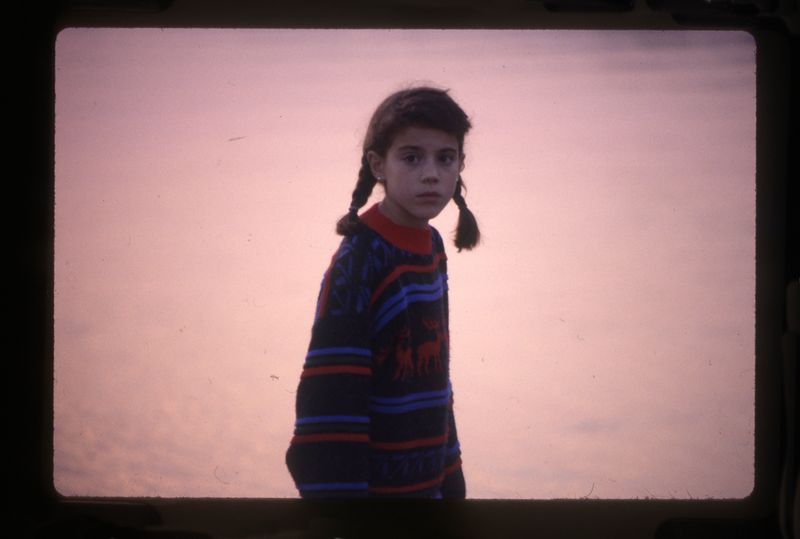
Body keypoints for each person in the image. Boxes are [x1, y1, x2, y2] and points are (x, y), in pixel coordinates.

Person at [285, 86, 480, 499]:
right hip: (370, 505)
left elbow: (434, 376)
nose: (431, 173)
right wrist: (345, 514)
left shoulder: (431, 245)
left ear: (461, 164)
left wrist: (451, 476)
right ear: (378, 164)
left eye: (445, 158)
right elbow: (331, 395)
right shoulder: (360, 260)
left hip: (424, 494)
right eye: (411, 157)